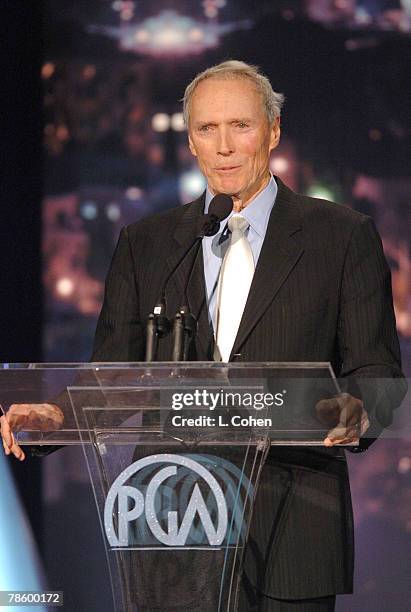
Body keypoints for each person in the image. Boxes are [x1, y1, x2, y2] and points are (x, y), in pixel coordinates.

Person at [1, 61, 406, 610]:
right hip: (172, 523)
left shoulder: (342, 236)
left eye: (240, 125)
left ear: (273, 130)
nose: (224, 146)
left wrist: (354, 410)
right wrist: (56, 418)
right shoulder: (146, 244)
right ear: (190, 140)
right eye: (206, 130)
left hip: (292, 529)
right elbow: (114, 379)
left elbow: (378, 372)